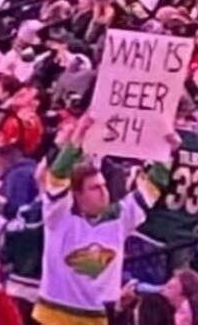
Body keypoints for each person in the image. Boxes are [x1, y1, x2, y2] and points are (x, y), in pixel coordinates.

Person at [32, 116, 169, 325]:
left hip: (99, 320)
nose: (104, 192)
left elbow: (150, 189)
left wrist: (166, 153)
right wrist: (77, 139)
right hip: (52, 319)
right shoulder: (58, 218)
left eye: (104, 185)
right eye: (95, 188)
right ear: (77, 194)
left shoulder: (119, 219)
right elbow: (57, 177)